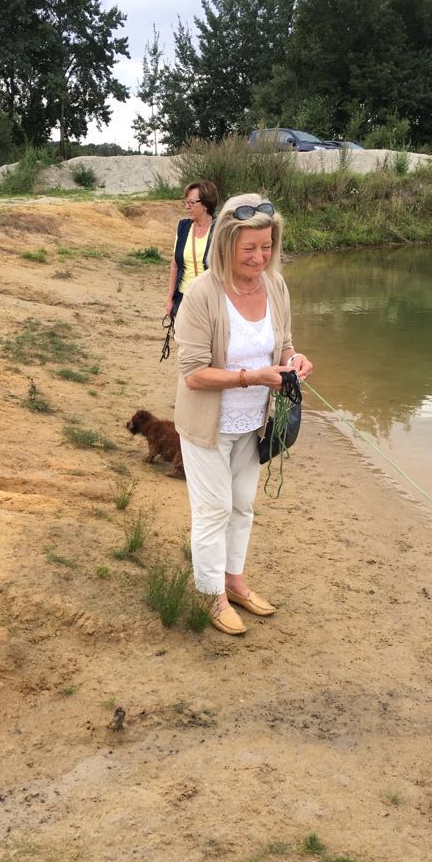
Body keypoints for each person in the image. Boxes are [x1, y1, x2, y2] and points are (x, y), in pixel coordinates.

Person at [173, 193, 313, 635]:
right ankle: (210, 594)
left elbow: (283, 343)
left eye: (267, 246)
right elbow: (194, 375)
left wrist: (294, 360)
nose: (259, 257)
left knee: (242, 506)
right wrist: (251, 378)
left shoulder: (275, 285)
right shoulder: (201, 294)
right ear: (226, 244)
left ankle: (233, 582)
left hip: (254, 423)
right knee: (213, 509)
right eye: (248, 248)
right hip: (207, 426)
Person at [165, 180, 219, 318]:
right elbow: (175, 265)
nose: (187, 206)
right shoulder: (183, 226)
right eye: (186, 202)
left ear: (206, 204)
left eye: (192, 202)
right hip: (183, 298)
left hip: (210, 300)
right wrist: (170, 299)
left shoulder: (220, 229)